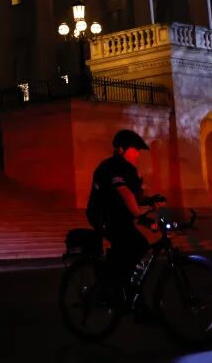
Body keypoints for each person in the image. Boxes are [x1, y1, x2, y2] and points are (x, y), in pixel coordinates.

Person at [86, 129, 165, 305]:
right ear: (121, 149)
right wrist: (139, 215)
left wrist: (150, 200)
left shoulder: (129, 169)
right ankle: (114, 288)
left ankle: (122, 287)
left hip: (121, 217)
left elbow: (135, 195)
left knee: (134, 247)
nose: (137, 153)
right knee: (136, 244)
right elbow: (124, 192)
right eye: (134, 149)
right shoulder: (111, 166)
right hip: (104, 216)